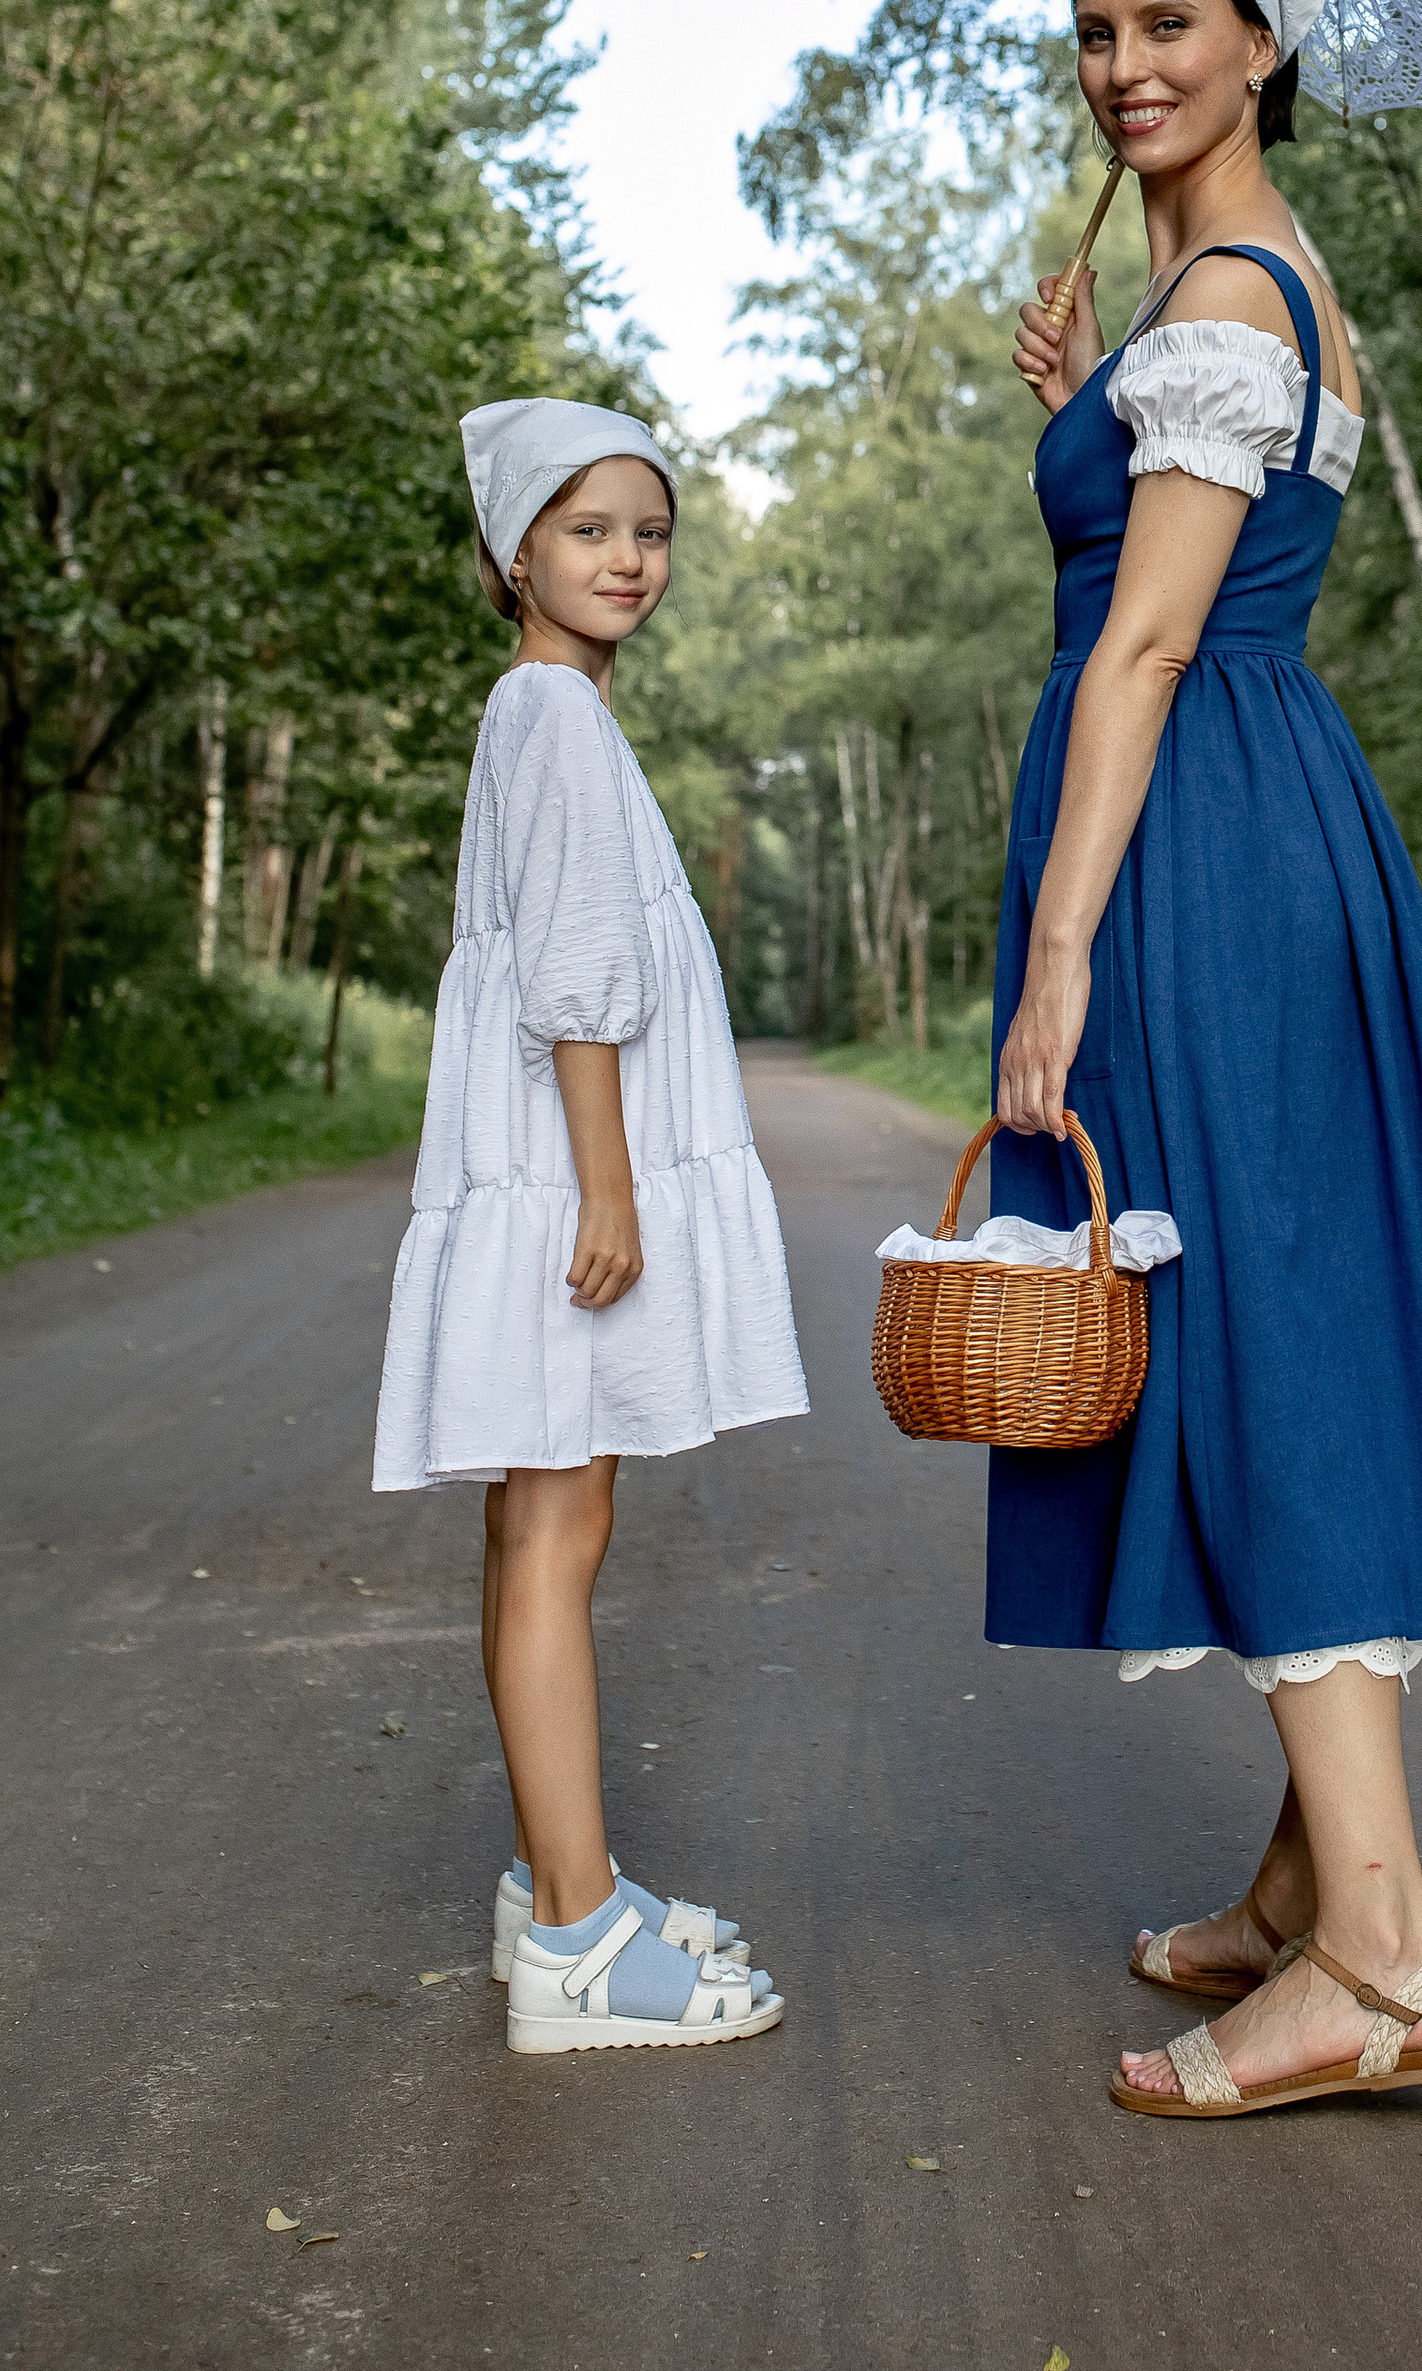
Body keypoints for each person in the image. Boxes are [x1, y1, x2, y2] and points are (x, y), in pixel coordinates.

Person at [994, 0, 1422, 2121]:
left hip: (1200, 849)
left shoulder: (1227, 303)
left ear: (1258, 48)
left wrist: (1054, 962)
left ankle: (1382, 1962)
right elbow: (1159, 572)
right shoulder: (1238, 296)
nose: (1123, 65)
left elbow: (1140, 651)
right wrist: (1083, 402)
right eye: (1098, 31)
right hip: (1262, 814)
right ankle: (1313, 1884)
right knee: (1283, 1302)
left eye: (1169, 27)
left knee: (1254, 1335)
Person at [373, 398, 807, 2055]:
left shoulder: (547, 714)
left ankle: (565, 1884)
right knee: (559, 1535)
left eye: (651, 528)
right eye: (588, 530)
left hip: (546, 1173)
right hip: (568, 1182)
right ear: (514, 553)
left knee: (533, 1533)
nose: (628, 557)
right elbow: (571, 976)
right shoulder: (552, 714)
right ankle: (573, 1941)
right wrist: (611, 1182)